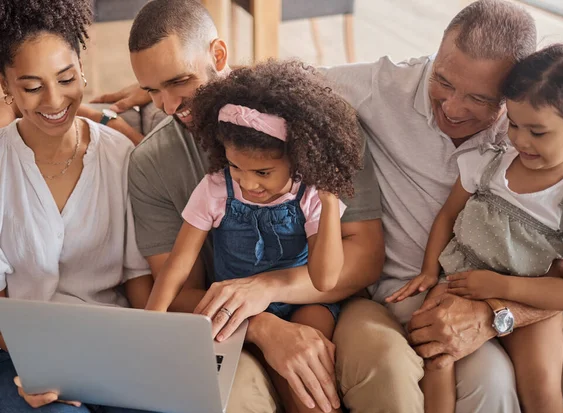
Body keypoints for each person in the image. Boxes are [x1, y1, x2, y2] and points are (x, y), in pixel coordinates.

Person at [95, 1, 422, 412]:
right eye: (151, 91)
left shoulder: (316, 126)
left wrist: (267, 289)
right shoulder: (153, 163)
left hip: (331, 301)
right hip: (228, 324)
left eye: (179, 82)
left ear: (217, 55)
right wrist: (260, 325)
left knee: (385, 368)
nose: (166, 106)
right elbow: (177, 288)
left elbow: (364, 258)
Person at [318, 0, 563, 411]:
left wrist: (497, 313)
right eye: (444, 81)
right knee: (491, 385)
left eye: (479, 99)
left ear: (511, 92)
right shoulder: (382, 87)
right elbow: (283, 82)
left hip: (530, 290)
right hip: (430, 287)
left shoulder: (546, 125)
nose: (451, 107)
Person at [388, 44, 563, 413]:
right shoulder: (488, 163)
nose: (520, 140)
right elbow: (447, 215)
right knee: (437, 361)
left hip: (528, 299)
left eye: (537, 132)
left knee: (541, 389)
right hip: (459, 283)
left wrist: (500, 288)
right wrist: (428, 270)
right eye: (514, 124)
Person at [146, 60, 363, 412]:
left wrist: (327, 198)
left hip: (305, 303)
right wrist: (150, 324)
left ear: (298, 159)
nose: (247, 183)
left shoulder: (310, 195)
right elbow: (178, 266)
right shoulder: (216, 188)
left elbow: (324, 279)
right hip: (238, 311)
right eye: (235, 166)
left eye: (263, 171)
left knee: (308, 385)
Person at [0, 0, 155, 412]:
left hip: (113, 346)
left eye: (66, 79)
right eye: (32, 87)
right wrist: (45, 362)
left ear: (81, 68)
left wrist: (157, 351)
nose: (54, 101)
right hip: (18, 355)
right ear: (6, 86)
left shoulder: (119, 156)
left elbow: (138, 277)